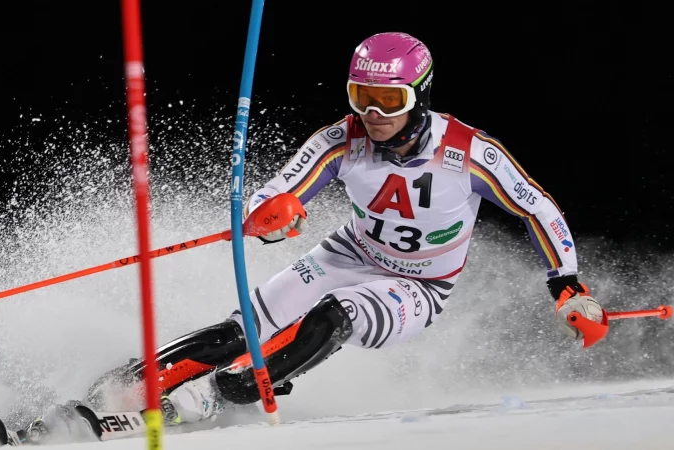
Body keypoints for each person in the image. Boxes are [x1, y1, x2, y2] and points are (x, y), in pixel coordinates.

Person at [30, 32, 604, 439]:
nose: (373, 113)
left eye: (389, 101)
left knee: (332, 318)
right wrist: (272, 216)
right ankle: (110, 394)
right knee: (241, 331)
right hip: (348, 253)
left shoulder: (468, 153)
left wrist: (568, 286)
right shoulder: (340, 138)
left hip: (420, 287)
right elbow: (277, 191)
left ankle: (217, 398)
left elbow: (538, 209)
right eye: (361, 97)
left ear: (419, 97)